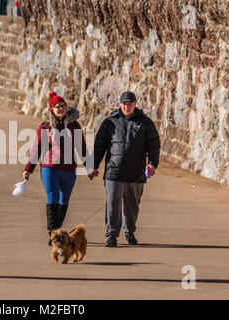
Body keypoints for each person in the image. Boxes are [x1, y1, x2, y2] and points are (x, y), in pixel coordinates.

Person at [88, 91, 160, 247]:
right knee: (112, 204)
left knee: (132, 206)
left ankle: (130, 232)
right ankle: (112, 235)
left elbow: (154, 145)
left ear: (135, 104)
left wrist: (152, 163)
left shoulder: (145, 123)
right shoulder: (110, 122)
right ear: (120, 104)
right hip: (114, 171)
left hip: (136, 174)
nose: (127, 107)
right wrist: (92, 166)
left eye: (130, 104)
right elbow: (99, 146)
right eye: (124, 104)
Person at [23, 91, 88, 245]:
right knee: (52, 197)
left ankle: (57, 230)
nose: (61, 109)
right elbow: (37, 147)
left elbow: (82, 148)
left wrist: (90, 168)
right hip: (49, 167)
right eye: (58, 107)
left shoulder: (74, 125)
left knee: (63, 199)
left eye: (63, 106)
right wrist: (28, 169)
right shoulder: (45, 126)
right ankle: (53, 235)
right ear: (52, 109)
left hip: (68, 169)